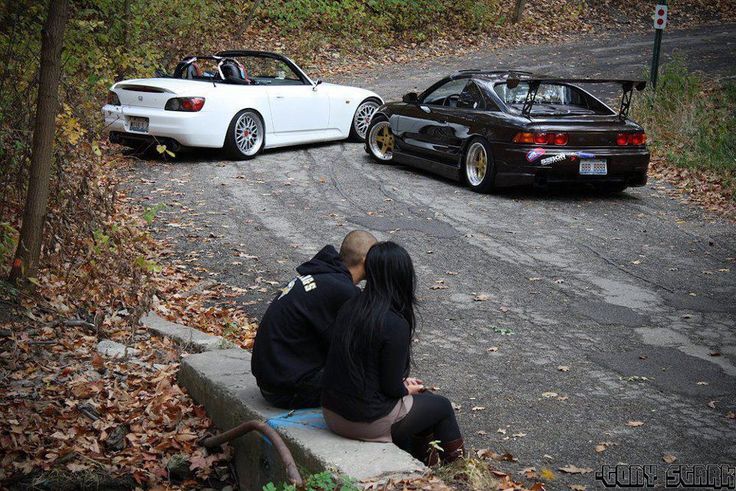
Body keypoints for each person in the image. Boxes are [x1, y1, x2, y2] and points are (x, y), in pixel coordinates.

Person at [321, 241, 465, 465]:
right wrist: (406, 388)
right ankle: (460, 474)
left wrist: (403, 385)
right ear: (403, 276)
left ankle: (420, 463)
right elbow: (390, 388)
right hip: (363, 421)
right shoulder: (394, 322)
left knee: (422, 404)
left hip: (332, 414)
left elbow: (363, 366)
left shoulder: (351, 305)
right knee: (441, 406)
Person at [251, 230, 377, 409]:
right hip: (286, 390)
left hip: (273, 379)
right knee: (366, 381)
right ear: (366, 260)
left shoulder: (323, 275)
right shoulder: (343, 291)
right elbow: (351, 350)